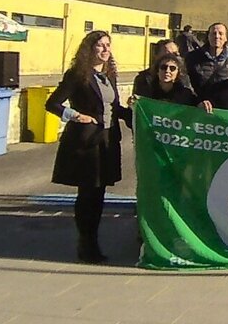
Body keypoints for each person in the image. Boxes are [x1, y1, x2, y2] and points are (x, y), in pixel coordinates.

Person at [45, 30, 132, 263]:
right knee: (87, 194)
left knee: (99, 193)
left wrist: (137, 114)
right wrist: (75, 115)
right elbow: (52, 103)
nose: (105, 50)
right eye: (100, 46)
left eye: (108, 46)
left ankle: (92, 241)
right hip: (86, 143)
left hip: (107, 141)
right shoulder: (77, 75)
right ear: (89, 49)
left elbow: (115, 108)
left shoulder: (109, 76)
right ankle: (86, 244)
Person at [186, 22, 228, 97]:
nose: (217, 36)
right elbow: (186, 82)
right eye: (214, 33)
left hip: (224, 103)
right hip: (198, 103)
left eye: (220, 33)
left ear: (226, 38)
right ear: (208, 36)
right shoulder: (192, 57)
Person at [131, 53, 196, 106]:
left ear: (178, 73)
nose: (167, 71)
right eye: (163, 67)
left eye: (172, 68)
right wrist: (132, 105)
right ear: (157, 71)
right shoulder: (146, 93)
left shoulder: (186, 95)